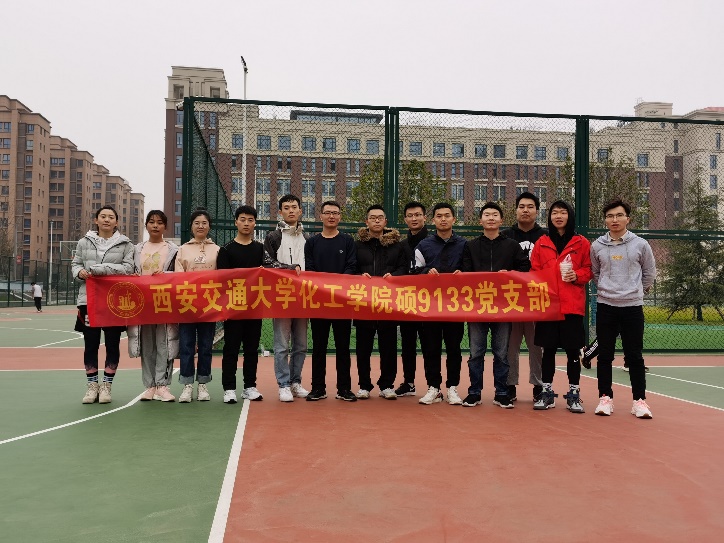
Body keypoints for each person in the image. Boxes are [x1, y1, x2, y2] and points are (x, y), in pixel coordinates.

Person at [217, 205, 294, 404]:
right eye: (242, 219)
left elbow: (272, 269)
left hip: (255, 306)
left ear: (255, 223)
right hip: (233, 308)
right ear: (236, 222)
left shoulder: (260, 249)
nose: (246, 223)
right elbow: (222, 281)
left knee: (251, 349)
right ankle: (229, 388)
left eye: (250, 220)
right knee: (231, 348)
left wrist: (291, 269)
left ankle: (249, 386)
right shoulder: (225, 250)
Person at [590, 199, 656, 419]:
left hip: (632, 308)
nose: (614, 220)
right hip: (606, 306)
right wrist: (607, 290)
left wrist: (635, 291)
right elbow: (596, 273)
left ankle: (639, 401)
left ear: (628, 218)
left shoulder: (641, 244)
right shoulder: (597, 245)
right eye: (610, 216)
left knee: (634, 355)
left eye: (619, 215)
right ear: (605, 220)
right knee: (605, 355)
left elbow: (649, 273)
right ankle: (605, 398)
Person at [462, 202, 531, 408]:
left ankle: (501, 393)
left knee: (501, 353)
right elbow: (465, 272)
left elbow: (525, 268)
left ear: (501, 220)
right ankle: (474, 392)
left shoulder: (512, 246)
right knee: (476, 353)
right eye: (486, 215)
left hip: (503, 307)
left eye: (494, 215)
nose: (490, 218)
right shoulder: (471, 246)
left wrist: (510, 274)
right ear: (480, 220)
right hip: (477, 307)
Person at [530, 200, 592, 413]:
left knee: (573, 352)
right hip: (549, 307)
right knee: (547, 351)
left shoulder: (581, 243)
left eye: (563, 212)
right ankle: (547, 393)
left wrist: (577, 275)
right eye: (554, 212)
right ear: (549, 217)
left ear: (570, 216)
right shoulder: (542, 242)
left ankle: (574, 394)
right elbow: (534, 271)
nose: (558, 216)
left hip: (572, 306)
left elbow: (589, 269)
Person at [72, 205, 134, 404]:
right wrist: (79, 272)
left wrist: (101, 269)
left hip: (114, 301)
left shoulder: (125, 244)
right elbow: (76, 264)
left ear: (116, 222)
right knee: (90, 344)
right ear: (96, 220)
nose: (107, 220)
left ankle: (107, 386)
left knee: (112, 344)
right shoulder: (84, 242)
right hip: (88, 300)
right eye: (103, 216)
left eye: (111, 217)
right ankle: (92, 387)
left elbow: (128, 268)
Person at [414, 203, 467, 405]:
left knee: (454, 348)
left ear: (454, 219)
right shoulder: (423, 245)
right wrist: (425, 272)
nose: (443, 219)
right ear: (433, 220)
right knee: (431, 348)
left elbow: (471, 270)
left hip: (455, 307)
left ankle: (452, 387)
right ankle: (433, 388)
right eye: (439, 216)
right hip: (430, 306)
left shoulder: (464, 245)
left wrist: (463, 273)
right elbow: (413, 270)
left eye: (447, 215)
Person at [304, 200, 358, 402]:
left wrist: (338, 286)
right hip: (319, 302)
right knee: (319, 347)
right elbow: (310, 268)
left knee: (343, 347)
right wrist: (324, 288)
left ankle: (344, 389)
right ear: (320, 216)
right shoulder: (312, 242)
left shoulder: (347, 241)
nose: (331, 216)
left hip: (342, 302)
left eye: (335, 213)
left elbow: (351, 266)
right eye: (327, 213)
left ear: (340, 216)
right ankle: (318, 388)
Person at [354, 205, 407, 400]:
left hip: (388, 303)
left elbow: (404, 268)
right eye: (372, 218)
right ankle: (364, 385)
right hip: (364, 302)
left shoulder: (397, 246)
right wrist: (359, 275)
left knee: (389, 347)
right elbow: (351, 268)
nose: (376, 221)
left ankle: (387, 385)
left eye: (380, 218)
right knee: (363, 348)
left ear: (385, 221)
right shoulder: (357, 245)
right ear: (366, 221)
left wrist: (394, 276)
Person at [127, 210, 179, 402]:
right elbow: (128, 270)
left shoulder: (174, 250)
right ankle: (149, 386)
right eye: (151, 222)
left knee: (165, 343)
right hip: (142, 304)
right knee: (146, 344)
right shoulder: (136, 249)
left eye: (159, 222)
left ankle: (162, 385)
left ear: (165, 226)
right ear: (146, 225)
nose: (155, 225)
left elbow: (179, 274)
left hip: (164, 301)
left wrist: (166, 275)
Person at [264, 194, 310, 402]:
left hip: (304, 297)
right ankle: (283, 385)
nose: (291, 210)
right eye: (286, 207)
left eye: (294, 207)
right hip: (282, 297)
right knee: (282, 345)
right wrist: (290, 268)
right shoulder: (273, 237)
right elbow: (267, 263)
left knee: (301, 345)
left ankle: (295, 382)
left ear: (300, 210)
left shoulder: (307, 237)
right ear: (280, 212)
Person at [501, 191, 547, 402]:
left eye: (530, 207)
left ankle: (539, 385)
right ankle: (510, 385)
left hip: (537, 300)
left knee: (537, 345)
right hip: (511, 300)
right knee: (510, 346)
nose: (525, 210)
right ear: (516, 210)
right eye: (522, 207)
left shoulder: (546, 237)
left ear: (537, 211)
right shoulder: (505, 236)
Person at [175, 207, 220, 403]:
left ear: (209, 226)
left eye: (204, 223)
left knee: (205, 346)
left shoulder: (217, 250)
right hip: (187, 305)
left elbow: (222, 277)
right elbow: (177, 278)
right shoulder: (183, 249)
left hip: (209, 306)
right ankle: (187, 385)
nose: (200, 226)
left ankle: (202, 383)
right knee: (186, 346)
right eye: (197, 223)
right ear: (191, 226)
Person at [394, 201, 429, 397]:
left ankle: (433, 385)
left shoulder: (432, 241)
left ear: (425, 217)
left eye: (417, 215)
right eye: (410, 215)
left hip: (429, 303)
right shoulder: (402, 245)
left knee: (429, 344)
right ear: (405, 219)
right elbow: (399, 268)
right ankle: (409, 382)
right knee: (407, 344)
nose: (414, 219)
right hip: (407, 301)